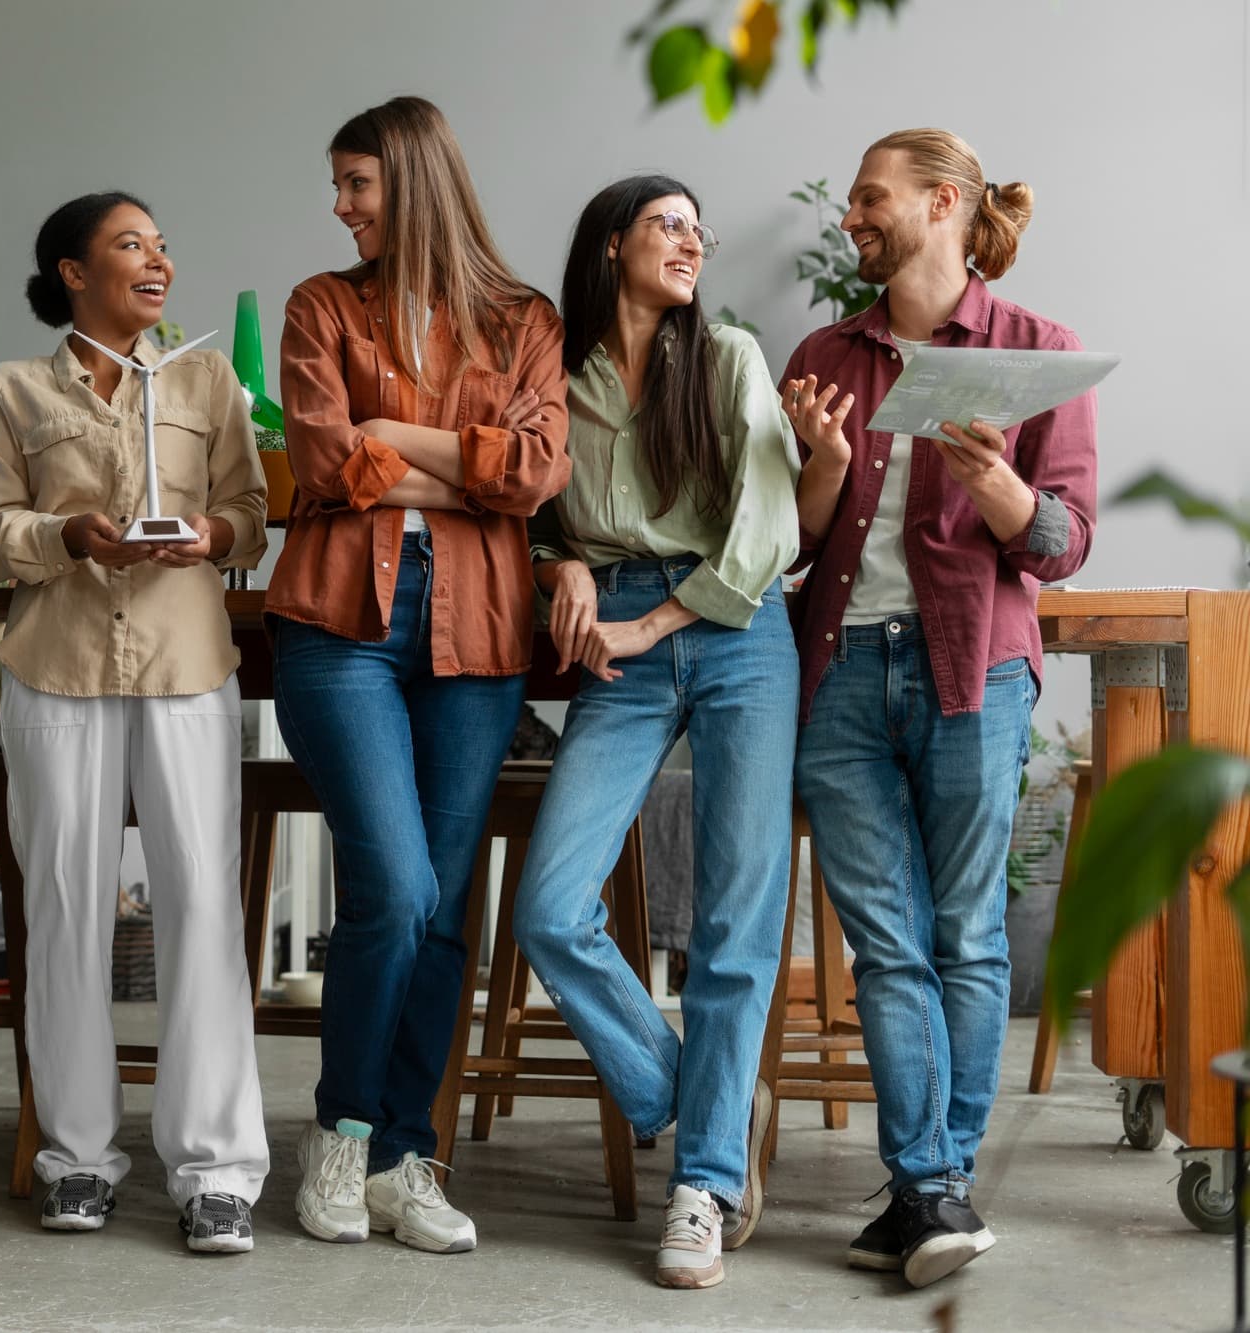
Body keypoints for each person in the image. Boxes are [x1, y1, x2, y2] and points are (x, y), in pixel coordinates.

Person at [783, 128, 1097, 1289]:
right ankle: (932, 1186)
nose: (852, 215)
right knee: (884, 938)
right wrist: (813, 468)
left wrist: (1004, 494)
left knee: (962, 934)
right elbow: (785, 546)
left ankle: (926, 1183)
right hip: (838, 675)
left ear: (941, 203)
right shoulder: (824, 350)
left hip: (976, 669)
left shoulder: (1036, 352)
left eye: (869, 196)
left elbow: (1061, 542)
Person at [267, 95, 571, 1255]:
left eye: (356, 184)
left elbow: (536, 473)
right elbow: (322, 458)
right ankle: (338, 1132)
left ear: (412, 182)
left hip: (479, 637)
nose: (338, 208)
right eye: (336, 188)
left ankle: (404, 1153)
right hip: (341, 629)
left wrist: (395, 441)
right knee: (391, 889)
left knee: (444, 909)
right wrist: (464, 469)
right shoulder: (319, 306)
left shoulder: (522, 319)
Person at [510, 175, 800, 1289]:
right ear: (611, 243)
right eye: (664, 225)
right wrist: (563, 563)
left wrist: (654, 626)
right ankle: (697, 1106)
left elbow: (766, 526)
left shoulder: (725, 355)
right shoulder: (557, 373)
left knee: (732, 920)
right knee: (547, 906)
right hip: (615, 638)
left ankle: (703, 1183)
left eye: (695, 229)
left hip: (732, 629)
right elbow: (529, 506)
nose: (687, 242)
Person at [0, 192, 271, 1253]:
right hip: (55, 669)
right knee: (61, 909)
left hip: (186, 666)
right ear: (70, 272)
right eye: (129, 245)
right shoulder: (10, 390)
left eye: (161, 245)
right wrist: (70, 535)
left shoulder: (207, 380)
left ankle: (216, 1170)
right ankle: (76, 1159)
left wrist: (208, 532)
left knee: (200, 906)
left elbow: (252, 513)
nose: (157, 260)